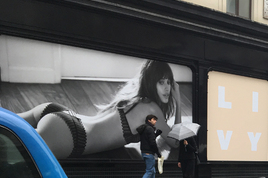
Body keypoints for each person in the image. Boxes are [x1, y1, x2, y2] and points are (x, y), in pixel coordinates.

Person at [18, 60, 180, 159]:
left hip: (62, 116)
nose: (167, 88)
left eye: (169, 82)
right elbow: (175, 141)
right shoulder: (151, 108)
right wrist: (178, 101)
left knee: (6, 123)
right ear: (151, 83)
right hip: (71, 135)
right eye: (161, 82)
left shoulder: (132, 98)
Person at [134, 114, 162, 178]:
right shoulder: (149, 129)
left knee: (152, 171)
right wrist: (158, 153)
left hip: (144, 152)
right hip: (149, 153)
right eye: (154, 119)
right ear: (149, 120)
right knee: (149, 171)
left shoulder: (145, 128)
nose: (155, 121)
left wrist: (156, 134)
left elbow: (148, 139)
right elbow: (152, 142)